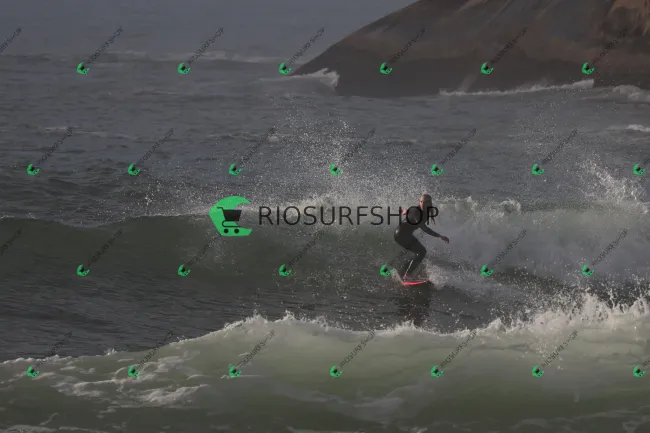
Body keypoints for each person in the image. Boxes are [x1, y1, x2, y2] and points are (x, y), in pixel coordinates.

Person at [394, 194, 449, 279]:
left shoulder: (426, 211)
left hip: (407, 235)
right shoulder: (416, 211)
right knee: (421, 252)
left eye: (425, 202)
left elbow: (410, 212)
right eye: (421, 201)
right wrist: (439, 236)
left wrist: (405, 211)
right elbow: (424, 228)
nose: (422, 204)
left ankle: (403, 271)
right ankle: (407, 274)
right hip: (401, 235)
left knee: (419, 252)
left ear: (429, 203)